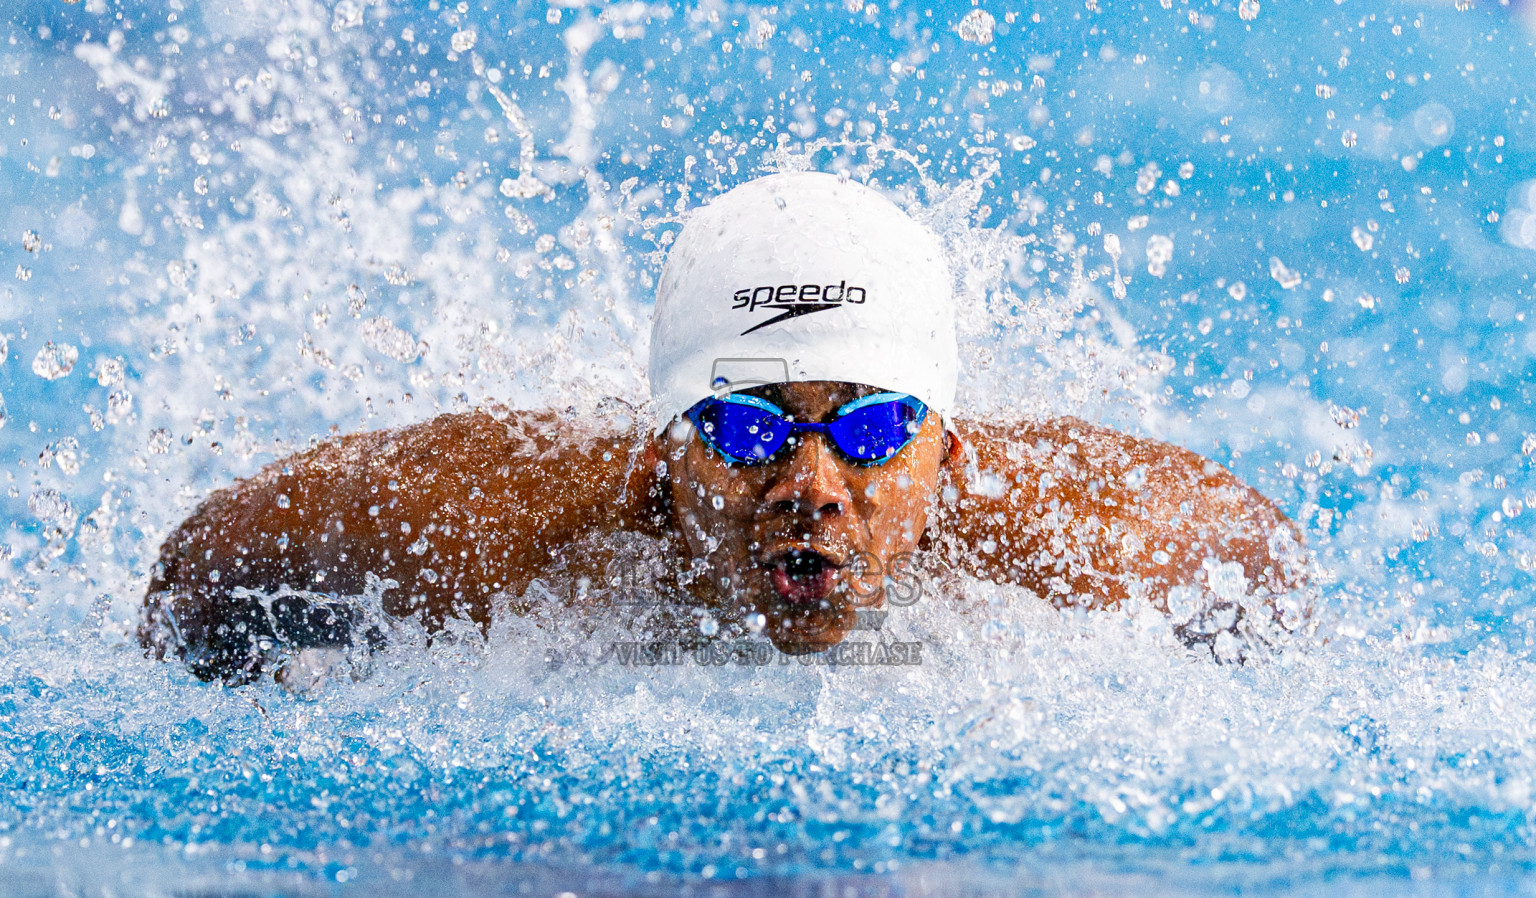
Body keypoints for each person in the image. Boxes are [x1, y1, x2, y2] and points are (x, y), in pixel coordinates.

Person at [139, 172, 1307, 683]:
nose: (812, 482)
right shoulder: (492, 529)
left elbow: (1267, 563)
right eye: (748, 429)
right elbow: (201, 573)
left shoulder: (1074, 535)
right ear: (664, 453)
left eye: (874, 426)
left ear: (950, 454)